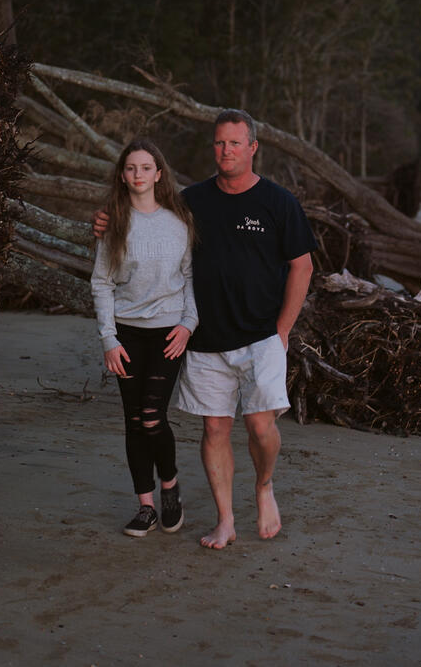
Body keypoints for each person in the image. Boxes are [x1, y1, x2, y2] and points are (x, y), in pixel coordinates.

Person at [95, 110, 316, 549]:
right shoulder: (191, 201)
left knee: (259, 425)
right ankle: (226, 520)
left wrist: (284, 329)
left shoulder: (278, 202)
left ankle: (265, 484)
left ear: (253, 147)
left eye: (235, 143)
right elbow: (143, 215)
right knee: (214, 430)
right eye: (219, 143)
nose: (225, 151)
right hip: (204, 340)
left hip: (260, 335)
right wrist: (102, 223)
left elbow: (302, 265)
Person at [90, 138, 197, 538]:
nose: (138, 175)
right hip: (126, 335)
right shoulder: (113, 222)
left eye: (146, 167)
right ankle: (146, 506)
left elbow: (189, 278)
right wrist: (108, 339)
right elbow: (101, 283)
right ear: (123, 174)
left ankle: (170, 487)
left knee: (153, 417)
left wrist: (188, 324)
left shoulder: (178, 220)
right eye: (131, 168)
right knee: (134, 422)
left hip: (168, 332)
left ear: (159, 173)